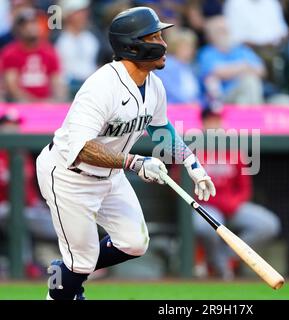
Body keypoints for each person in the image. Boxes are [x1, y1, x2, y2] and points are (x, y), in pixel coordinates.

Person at [36, 7, 215, 300]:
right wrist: (134, 161)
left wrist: (192, 163)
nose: (164, 43)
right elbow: (81, 148)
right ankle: (63, 290)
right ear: (133, 45)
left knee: (134, 243)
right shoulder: (101, 87)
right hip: (69, 176)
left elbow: (161, 130)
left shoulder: (154, 86)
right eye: (155, 36)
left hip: (110, 175)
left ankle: (64, 272)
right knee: (82, 261)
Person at [193, 108, 281, 280]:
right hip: (206, 207)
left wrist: (233, 203)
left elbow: (245, 189)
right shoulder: (192, 148)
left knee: (269, 224)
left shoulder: (232, 149)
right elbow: (185, 189)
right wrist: (219, 203)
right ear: (203, 123)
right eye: (211, 120)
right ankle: (218, 266)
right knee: (205, 225)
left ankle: (224, 259)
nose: (215, 124)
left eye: (217, 120)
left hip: (232, 208)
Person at [0, 109, 56, 278]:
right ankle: (25, 265)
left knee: (63, 225)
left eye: (15, 125)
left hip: (29, 209)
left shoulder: (23, 153)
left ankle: (81, 265)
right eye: (8, 125)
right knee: (16, 215)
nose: (12, 129)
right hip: (3, 207)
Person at [0, 7, 67, 102]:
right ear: (18, 29)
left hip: (47, 105)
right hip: (20, 105)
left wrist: (54, 101)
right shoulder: (10, 53)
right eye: (25, 24)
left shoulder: (49, 51)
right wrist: (36, 104)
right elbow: (12, 88)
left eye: (34, 22)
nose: (30, 27)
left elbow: (57, 83)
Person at [197, 16, 265, 106]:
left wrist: (232, 70)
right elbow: (216, 72)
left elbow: (261, 70)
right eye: (220, 30)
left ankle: (253, 116)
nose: (225, 33)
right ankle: (255, 116)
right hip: (223, 99)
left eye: (226, 29)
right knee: (249, 81)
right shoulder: (206, 53)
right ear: (210, 36)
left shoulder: (241, 49)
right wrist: (243, 66)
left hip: (247, 97)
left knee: (284, 100)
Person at [54, 0, 102, 98]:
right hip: (66, 89)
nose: (84, 15)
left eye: (84, 11)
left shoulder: (93, 37)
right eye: (79, 12)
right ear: (69, 15)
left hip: (91, 88)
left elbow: (98, 63)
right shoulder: (57, 39)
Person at [154, 28, 201, 104]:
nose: (191, 50)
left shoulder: (190, 66)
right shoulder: (166, 65)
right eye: (186, 47)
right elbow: (171, 90)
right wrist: (189, 103)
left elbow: (196, 93)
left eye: (191, 46)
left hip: (191, 108)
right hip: (173, 108)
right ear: (175, 47)